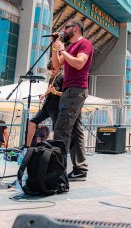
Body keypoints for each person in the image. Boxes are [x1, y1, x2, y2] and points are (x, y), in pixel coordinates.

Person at [51, 19, 93, 181]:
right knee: (75, 131)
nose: (64, 30)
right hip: (70, 91)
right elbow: (56, 66)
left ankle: (57, 169)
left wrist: (63, 50)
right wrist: (56, 48)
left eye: (66, 28)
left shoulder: (85, 44)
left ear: (75, 29)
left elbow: (79, 64)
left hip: (76, 90)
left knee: (62, 128)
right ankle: (80, 169)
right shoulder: (69, 47)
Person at [26, 62, 63, 146]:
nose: (52, 71)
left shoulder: (63, 78)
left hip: (56, 108)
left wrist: (56, 92)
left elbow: (67, 94)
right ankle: (27, 146)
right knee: (32, 122)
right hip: (46, 106)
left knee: (56, 129)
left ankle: (56, 150)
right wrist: (44, 94)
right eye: (50, 69)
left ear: (59, 67)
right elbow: (49, 90)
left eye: (53, 69)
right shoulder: (52, 78)